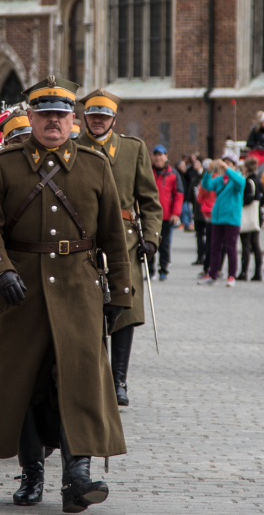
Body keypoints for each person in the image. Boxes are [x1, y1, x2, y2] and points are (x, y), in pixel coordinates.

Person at [0, 77, 132, 512]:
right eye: (44, 115)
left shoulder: (96, 166)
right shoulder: (2, 165)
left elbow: (114, 239)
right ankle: (32, 472)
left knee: (81, 381)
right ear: (31, 117)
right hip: (18, 291)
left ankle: (77, 477)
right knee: (20, 383)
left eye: (61, 114)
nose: (53, 122)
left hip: (79, 290)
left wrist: (121, 293)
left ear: (73, 118)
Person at [77, 89, 162, 407]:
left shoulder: (133, 149)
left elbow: (150, 202)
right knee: (88, 311)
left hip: (125, 243)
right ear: (85, 116)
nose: (97, 120)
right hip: (85, 242)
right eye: (93, 114)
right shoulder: (72, 148)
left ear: (113, 118)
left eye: (104, 115)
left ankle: (119, 380)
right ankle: (92, 377)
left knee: (125, 310)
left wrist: (152, 238)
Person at [198, 154, 246, 287]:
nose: (226, 165)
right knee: (214, 247)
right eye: (224, 163)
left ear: (235, 166)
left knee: (231, 248)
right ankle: (212, 274)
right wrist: (209, 171)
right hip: (218, 218)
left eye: (229, 163)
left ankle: (231, 276)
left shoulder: (238, 178)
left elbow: (241, 182)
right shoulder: (220, 180)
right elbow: (207, 185)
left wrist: (228, 170)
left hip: (231, 218)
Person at [150, 145, 183, 281]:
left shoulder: (173, 173)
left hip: (166, 216)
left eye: (161, 155)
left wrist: (176, 213)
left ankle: (163, 269)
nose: (158, 157)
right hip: (150, 215)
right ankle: (150, 271)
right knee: (149, 243)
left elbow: (179, 194)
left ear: (166, 156)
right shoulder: (147, 171)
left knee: (164, 245)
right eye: (156, 155)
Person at [238, 157, 264, 281]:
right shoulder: (259, 181)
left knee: (246, 245)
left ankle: (244, 272)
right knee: (256, 245)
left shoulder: (248, 181)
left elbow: (248, 199)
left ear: (246, 168)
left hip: (248, 217)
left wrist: (239, 203)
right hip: (257, 216)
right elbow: (263, 200)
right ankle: (258, 273)